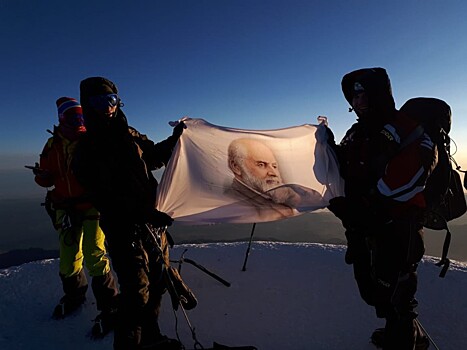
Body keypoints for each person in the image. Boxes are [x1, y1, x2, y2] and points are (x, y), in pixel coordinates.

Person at [73, 77, 185, 350]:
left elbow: (155, 157)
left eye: (111, 101)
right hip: (123, 229)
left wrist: (176, 139)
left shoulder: (129, 134)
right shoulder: (86, 150)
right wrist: (145, 213)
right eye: (99, 102)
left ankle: (151, 337)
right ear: (87, 106)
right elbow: (104, 197)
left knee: (157, 284)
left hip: (153, 226)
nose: (107, 108)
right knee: (136, 294)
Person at [327, 68, 434, 349]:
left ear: (377, 95)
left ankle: (406, 341)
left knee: (397, 293)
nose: (357, 101)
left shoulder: (406, 128)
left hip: (398, 228)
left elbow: (410, 177)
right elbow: (347, 166)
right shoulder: (357, 132)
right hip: (363, 228)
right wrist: (328, 148)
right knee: (373, 291)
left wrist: (362, 207)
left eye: (362, 95)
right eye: (354, 96)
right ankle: (401, 332)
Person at [33, 97, 118, 335]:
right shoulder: (52, 146)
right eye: (73, 117)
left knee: (94, 253)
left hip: (92, 207)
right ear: (62, 118)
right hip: (65, 208)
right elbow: (46, 179)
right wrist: (42, 176)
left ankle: (110, 307)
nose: (79, 121)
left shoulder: (91, 141)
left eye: (81, 117)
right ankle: (74, 296)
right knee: (69, 257)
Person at [226, 138, 300, 220]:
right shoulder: (231, 203)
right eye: (261, 165)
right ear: (236, 167)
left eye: (274, 166)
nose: (273, 173)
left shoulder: (281, 197)